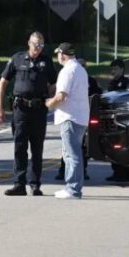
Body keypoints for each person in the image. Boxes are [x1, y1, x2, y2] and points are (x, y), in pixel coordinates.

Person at [0, 31, 56, 196]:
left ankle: (35, 184)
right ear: (29, 43)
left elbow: (54, 84)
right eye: (36, 44)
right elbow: (3, 83)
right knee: (20, 146)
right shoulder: (17, 58)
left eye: (41, 45)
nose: (38, 48)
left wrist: (49, 97)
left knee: (37, 148)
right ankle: (19, 184)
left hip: (38, 110)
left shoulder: (47, 61)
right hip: (20, 109)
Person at [46, 43, 90, 199]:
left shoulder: (67, 71)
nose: (58, 56)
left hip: (69, 117)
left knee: (71, 154)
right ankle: (72, 187)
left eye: (58, 53)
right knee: (72, 152)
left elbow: (61, 95)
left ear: (63, 55)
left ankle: (73, 189)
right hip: (80, 117)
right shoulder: (80, 69)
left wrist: (49, 104)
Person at [56, 57, 102, 181]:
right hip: (71, 115)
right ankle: (63, 170)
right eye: (79, 64)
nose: (81, 67)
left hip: (85, 116)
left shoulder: (91, 81)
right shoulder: (69, 77)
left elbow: (98, 95)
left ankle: (81, 173)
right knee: (68, 146)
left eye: (83, 65)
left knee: (81, 146)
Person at [105, 58, 129, 182]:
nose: (113, 71)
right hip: (113, 118)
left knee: (123, 145)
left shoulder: (126, 83)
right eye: (112, 69)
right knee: (113, 146)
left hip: (124, 118)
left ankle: (126, 172)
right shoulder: (111, 84)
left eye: (116, 69)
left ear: (122, 69)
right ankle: (116, 172)